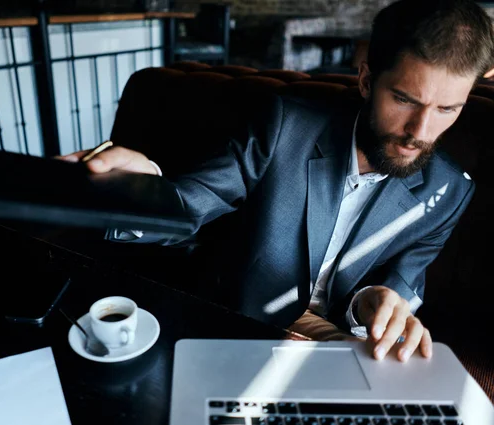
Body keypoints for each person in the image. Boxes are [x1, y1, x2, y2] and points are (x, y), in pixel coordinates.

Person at [59, 0, 494, 362]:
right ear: (366, 80)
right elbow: (192, 203)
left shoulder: (451, 191)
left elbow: (402, 285)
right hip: (241, 323)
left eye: (446, 111)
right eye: (404, 99)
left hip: (340, 345)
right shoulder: (284, 125)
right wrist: (142, 185)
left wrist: (375, 302)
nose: (420, 131)